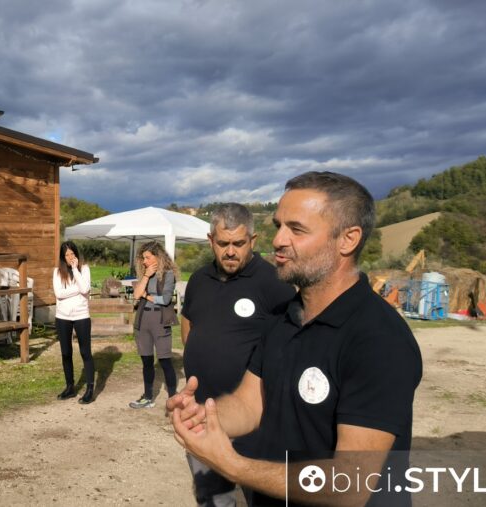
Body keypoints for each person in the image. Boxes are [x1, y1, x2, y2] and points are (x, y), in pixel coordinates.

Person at [169, 172, 423, 507]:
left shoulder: (379, 339)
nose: (278, 240)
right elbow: (249, 403)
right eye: (279, 226)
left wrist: (234, 465)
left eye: (297, 229)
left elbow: (350, 485)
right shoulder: (283, 319)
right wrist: (203, 417)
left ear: (348, 239)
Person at [180, 203, 295, 507]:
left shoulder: (274, 283)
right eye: (223, 243)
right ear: (211, 241)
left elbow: (294, 341)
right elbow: (188, 319)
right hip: (203, 415)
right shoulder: (198, 280)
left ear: (253, 242)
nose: (230, 251)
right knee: (212, 497)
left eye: (239, 244)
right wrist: (195, 359)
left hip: (253, 423)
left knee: (262, 498)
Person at [129, 241, 179, 409]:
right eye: (143, 258)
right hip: (143, 321)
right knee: (147, 361)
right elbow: (136, 295)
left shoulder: (168, 274)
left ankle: (173, 398)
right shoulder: (145, 274)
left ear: (158, 257)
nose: (144, 261)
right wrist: (145, 277)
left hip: (160, 321)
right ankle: (148, 397)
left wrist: (147, 296)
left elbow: (165, 299)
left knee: (165, 361)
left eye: (147, 257)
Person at [52, 241, 96, 404]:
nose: (70, 257)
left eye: (72, 254)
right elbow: (59, 293)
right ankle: (70, 387)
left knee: (85, 352)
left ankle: (90, 389)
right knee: (65, 353)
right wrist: (78, 289)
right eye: (67, 255)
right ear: (63, 257)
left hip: (81, 316)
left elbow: (85, 289)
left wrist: (76, 271)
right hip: (62, 317)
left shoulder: (84, 269)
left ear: (76, 254)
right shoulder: (57, 272)